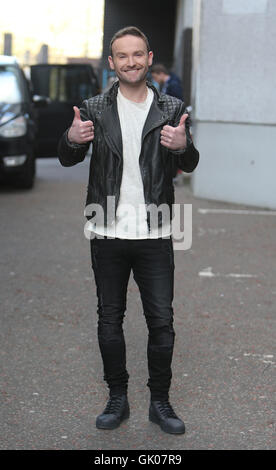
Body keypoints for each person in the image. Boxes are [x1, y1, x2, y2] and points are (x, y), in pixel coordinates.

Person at [58, 26, 199, 435]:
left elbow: (189, 162)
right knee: (109, 319)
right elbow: (68, 157)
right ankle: (117, 399)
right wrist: (70, 137)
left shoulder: (171, 108)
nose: (131, 62)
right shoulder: (95, 108)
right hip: (107, 228)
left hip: (154, 230)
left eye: (138, 54)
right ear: (111, 63)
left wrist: (182, 146)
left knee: (161, 322)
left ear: (149, 57)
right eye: (123, 55)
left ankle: (160, 402)